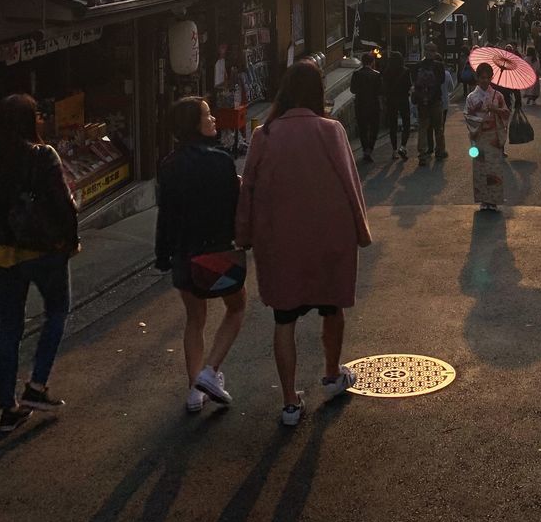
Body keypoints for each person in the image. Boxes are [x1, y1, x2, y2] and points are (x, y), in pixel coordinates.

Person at [235, 61, 371, 427]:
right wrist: (361, 230)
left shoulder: (265, 135)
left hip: (280, 242)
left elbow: (247, 189)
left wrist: (243, 235)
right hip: (330, 236)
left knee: (285, 319)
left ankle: (290, 401)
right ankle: (330, 375)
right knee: (332, 307)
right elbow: (350, 183)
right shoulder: (331, 130)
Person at [155, 96, 246, 414]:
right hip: (217, 251)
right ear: (194, 123)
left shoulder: (168, 165)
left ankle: (194, 389)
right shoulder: (220, 160)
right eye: (207, 115)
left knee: (195, 319)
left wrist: (162, 254)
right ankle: (210, 372)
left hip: (182, 253)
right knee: (236, 308)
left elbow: (165, 214)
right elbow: (234, 205)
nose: (214, 120)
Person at [0, 95, 79, 436]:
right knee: (57, 311)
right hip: (45, 251)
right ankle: (37, 385)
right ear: (32, 120)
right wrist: (70, 241)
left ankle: (7, 407)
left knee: (8, 327)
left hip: (4, 255)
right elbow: (64, 205)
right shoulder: (42, 155)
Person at [464, 63, 510, 212]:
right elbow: (468, 116)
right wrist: (480, 119)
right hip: (479, 136)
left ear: (492, 77)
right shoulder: (472, 97)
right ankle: (484, 199)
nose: (484, 80)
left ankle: (494, 200)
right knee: (480, 168)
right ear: (477, 78)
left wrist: (495, 109)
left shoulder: (498, 95)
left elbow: (506, 114)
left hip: (494, 138)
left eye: (487, 77)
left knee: (494, 169)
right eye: (481, 77)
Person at [414, 43, 448, 165]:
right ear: (435, 52)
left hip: (422, 102)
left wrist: (422, 97)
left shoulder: (418, 66)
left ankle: (422, 154)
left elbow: (415, 83)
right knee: (438, 128)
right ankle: (440, 151)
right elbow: (442, 80)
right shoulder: (439, 66)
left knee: (422, 128)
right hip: (435, 100)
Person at [350, 52, 382, 163]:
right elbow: (380, 91)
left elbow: (352, 90)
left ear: (362, 62)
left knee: (363, 129)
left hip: (360, 104)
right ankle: (370, 148)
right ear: (372, 62)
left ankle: (365, 149)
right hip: (374, 104)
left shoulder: (356, 74)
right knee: (374, 128)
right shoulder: (377, 74)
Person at [381, 51, 411, 161]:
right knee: (406, 123)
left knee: (392, 126)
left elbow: (384, 87)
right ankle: (403, 146)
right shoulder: (405, 71)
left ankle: (394, 150)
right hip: (403, 99)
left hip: (391, 101)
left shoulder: (387, 72)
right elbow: (408, 85)